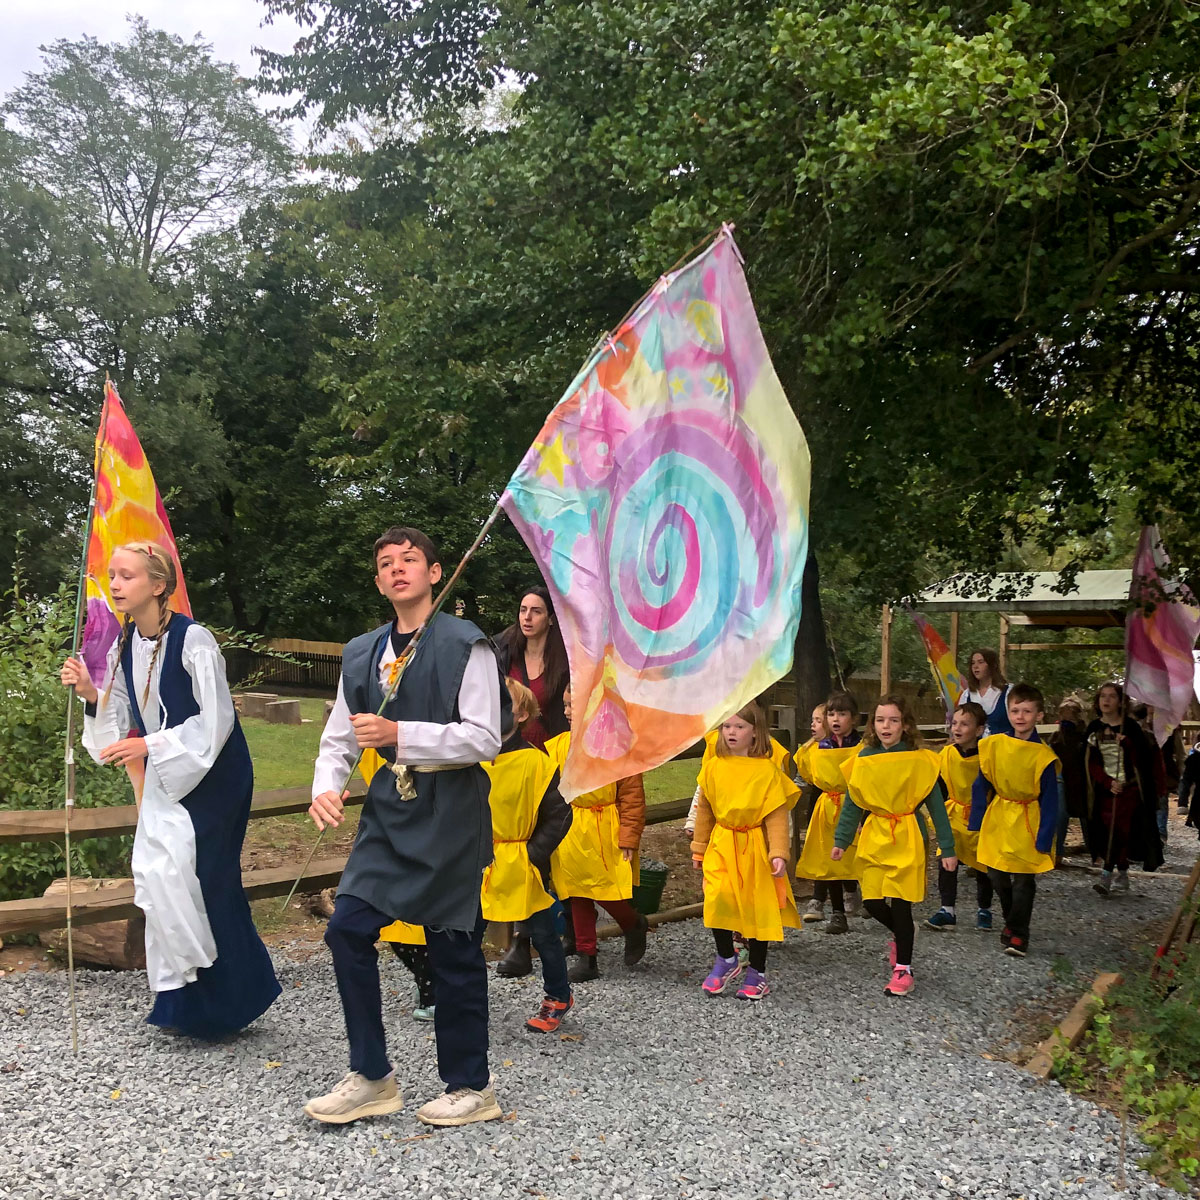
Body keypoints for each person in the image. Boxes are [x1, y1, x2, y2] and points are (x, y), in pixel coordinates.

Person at [304, 526, 505, 1128]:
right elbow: (340, 734)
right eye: (386, 563)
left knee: (452, 947)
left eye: (410, 560)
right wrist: (325, 785)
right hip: (390, 810)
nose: (397, 569)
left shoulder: (467, 644)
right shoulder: (362, 651)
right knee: (347, 928)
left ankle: (470, 1085)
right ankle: (371, 1076)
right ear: (378, 580)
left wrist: (401, 736)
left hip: (450, 811)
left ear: (435, 572)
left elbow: (484, 737)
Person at [60, 542, 280, 1039]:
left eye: (126, 576)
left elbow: (217, 719)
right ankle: (185, 1002)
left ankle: (233, 998)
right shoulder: (123, 644)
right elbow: (118, 711)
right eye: (112, 575)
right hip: (166, 770)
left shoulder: (194, 639)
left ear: (158, 585)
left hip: (214, 775)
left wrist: (150, 746)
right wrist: (90, 694)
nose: (115, 584)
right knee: (161, 873)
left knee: (204, 877)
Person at [832, 695, 956, 997]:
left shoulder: (919, 759)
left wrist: (948, 848)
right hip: (875, 835)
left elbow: (936, 806)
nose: (886, 726)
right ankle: (902, 934)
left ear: (906, 725)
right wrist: (841, 840)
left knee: (901, 904)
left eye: (893, 720)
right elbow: (853, 802)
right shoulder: (864, 758)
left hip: (907, 836)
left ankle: (904, 969)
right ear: (872, 723)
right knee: (872, 902)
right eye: (880, 719)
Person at [481, 679, 576, 1033]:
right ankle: (468, 1000)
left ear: (520, 714)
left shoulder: (537, 763)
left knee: (542, 933)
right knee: (466, 931)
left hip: (523, 861)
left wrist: (533, 854)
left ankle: (558, 995)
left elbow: (560, 813)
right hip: (479, 863)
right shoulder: (471, 758)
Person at [691, 700, 801, 1000]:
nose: (731, 732)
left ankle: (757, 972)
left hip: (754, 845)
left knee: (757, 908)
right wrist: (699, 848)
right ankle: (726, 957)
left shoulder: (766, 770)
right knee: (717, 899)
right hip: (723, 842)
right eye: (727, 726)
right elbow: (706, 811)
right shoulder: (713, 767)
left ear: (755, 732)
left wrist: (778, 851)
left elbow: (776, 816)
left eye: (739, 726)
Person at [548, 685, 649, 983]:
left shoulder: (618, 748)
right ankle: (587, 956)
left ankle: (632, 924)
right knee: (577, 892)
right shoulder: (558, 746)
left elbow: (631, 796)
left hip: (606, 825)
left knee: (607, 891)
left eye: (573, 705)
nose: (567, 711)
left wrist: (629, 837)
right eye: (565, 705)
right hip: (572, 826)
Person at [969, 683, 1060, 958]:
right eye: (1015, 710)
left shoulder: (1043, 756)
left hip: (1027, 818)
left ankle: (1019, 932)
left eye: (1027, 711)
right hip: (999, 815)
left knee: (1023, 878)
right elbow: (981, 783)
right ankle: (1012, 918)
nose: (1020, 716)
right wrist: (977, 820)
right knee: (996, 873)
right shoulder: (994, 745)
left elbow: (1051, 800)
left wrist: (1045, 836)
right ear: (1008, 713)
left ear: (1039, 715)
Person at [1084, 683, 1164, 893]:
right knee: (1108, 829)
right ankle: (1123, 871)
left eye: (1112, 696)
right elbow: (1089, 762)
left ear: (1120, 702)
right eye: (1103, 696)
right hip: (1104, 790)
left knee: (1120, 829)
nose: (1106, 700)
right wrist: (1107, 782)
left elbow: (1143, 760)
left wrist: (1127, 743)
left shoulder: (1130, 728)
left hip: (1129, 790)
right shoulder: (1093, 727)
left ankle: (1106, 875)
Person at [795, 691, 863, 933]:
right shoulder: (820, 748)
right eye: (831, 714)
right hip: (827, 807)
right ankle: (837, 912)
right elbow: (807, 774)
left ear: (853, 718)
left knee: (857, 856)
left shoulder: (862, 747)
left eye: (842, 714)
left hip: (854, 805)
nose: (835, 719)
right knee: (829, 860)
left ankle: (863, 893)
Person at [927, 701, 993, 930]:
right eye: (954, 723)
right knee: (946, 859)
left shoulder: (988, 755)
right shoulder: (945, 755)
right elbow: (938, 785)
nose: (957, 728)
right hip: (954, 813)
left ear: (979, 729)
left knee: (984, 865)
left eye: (965, 724)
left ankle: (985, 909)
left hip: (981, 815)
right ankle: (947, 909)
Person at [494, 585, 569, 751]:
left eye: (536, 611)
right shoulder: (503, 652)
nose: (527, 617)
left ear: (550, 619)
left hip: (551, 756)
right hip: (510, 753)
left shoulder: (566, 661)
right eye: (523, 610)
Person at [1049, 699, 1089, 863]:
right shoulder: (1057, 737)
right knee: (1060, 814)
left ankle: (1094, 850)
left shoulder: (1084, 736)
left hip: (1081, 779)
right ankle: (1057, 852)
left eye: (1071, 713)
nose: (1067, 717)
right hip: (1061, 778)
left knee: (1087, 814)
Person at [957, 648, 1012, 737]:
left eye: (981, 662)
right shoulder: (967, 695)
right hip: (975, 749)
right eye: (973, 663)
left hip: (1002, 747)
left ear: (992, 665)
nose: (975, 666)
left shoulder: (1008, 692)